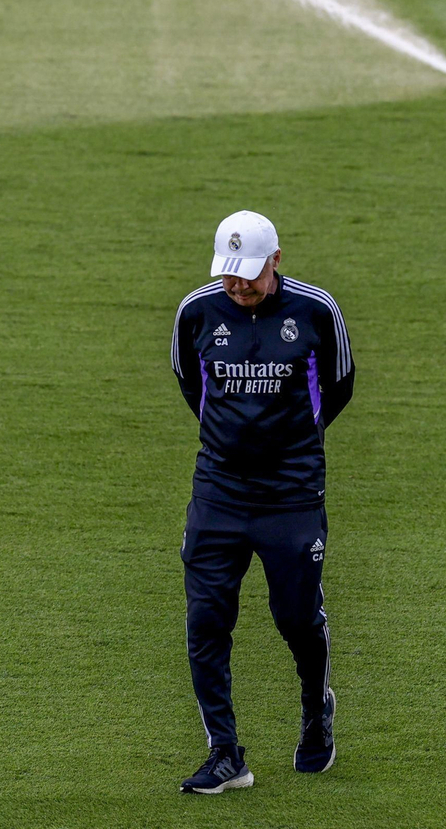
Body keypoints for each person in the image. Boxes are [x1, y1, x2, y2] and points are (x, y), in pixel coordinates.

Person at [168, 210, 354, 794]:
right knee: (206, 620)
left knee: (296, 618)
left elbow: (338, 386)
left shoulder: (316, 311)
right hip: (218, 492)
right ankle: (225, 753)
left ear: (275, 261)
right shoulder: (196, 312)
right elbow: (192, 384)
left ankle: (316, 709)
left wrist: (289, 447)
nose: (238, 285)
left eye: (248, 273)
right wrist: (232, 443)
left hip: (291, 495)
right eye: (228, 273)